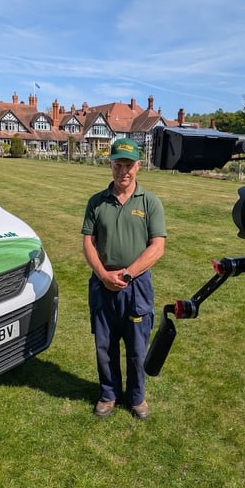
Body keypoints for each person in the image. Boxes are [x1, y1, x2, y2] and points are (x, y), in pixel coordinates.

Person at [81, 138, 166, 420]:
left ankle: (137, 397)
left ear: (138, 166)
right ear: (111, 165)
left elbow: (157, 247)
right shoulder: (97, 202)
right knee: (105, 346)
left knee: (137, 346)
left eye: (129, 165)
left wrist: (128, 273)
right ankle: (108, 394)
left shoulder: (150, 202)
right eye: (118, 165)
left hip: (136, 285)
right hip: (103, 283)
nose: (123, 171)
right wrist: (103, 275)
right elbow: (88, 243)